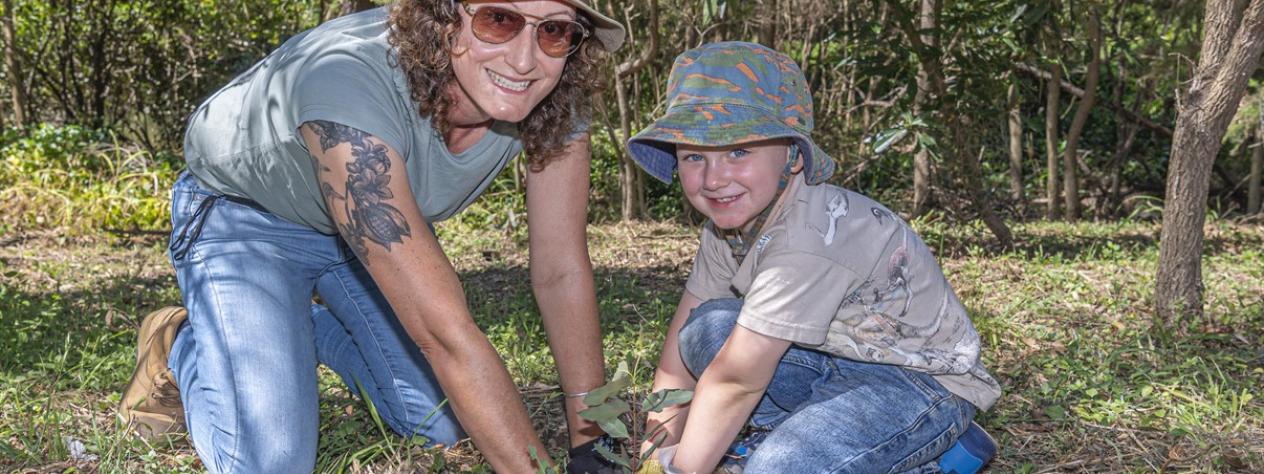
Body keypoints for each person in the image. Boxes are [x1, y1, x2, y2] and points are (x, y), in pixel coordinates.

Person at [118, 1, 626, 472]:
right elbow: (443, 333)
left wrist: (596, 436)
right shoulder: (348, 79)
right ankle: (182, 342)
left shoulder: (555, 101)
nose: (524, 60)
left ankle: (294, 323)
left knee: (442, 424)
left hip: (361, 234)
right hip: (245, 217)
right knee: (272, 460)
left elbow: (560, 270)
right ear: (446, 16)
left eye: (555, 32)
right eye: (499, 20)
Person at [626, 42, 1002, 473]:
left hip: (917, 384)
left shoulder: (808, 235)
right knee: (705, 329)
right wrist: (652, 460)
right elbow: (676, 362)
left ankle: (928, 457)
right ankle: (801, 435)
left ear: (792, 156)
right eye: (694, 156)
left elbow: (735, 381)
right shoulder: (727, 226)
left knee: (776, 468)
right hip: (833, 359)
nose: (714, 178)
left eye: (738, 151)